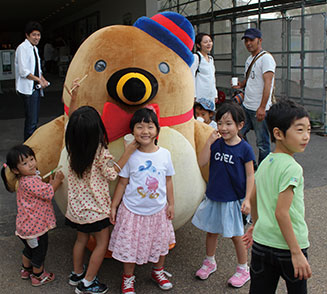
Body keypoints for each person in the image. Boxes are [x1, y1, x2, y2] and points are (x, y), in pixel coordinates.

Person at [65, 82, 137, 294]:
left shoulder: (71, 146)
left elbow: (72, 120)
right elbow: (112, 173)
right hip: (95, 210)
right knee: (101, 244)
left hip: (77, 209)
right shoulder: (100, 152)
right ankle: (87, 282)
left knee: (81, 239)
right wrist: (128, 152)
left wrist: (75, 97)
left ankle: (77, 272)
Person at [242, 99, 312, 294]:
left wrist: (257, 224)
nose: (306, 136)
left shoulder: (266, 162)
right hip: (288, 247)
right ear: (278, 133)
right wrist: (296, 252)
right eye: (299, 130)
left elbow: (254, 197)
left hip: (262, 244)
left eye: (308, 129)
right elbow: (282, 213)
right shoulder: (292, 168)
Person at [109, 108, 175, 294]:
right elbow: (122, 183)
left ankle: (158, 272)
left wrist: (171, 203)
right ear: (132, 132)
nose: (145, 131)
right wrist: (114, 206)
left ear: (157, 131)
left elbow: (168, 180)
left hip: (158, 210)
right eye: (139, 127)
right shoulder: (130, 156)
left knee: (160, 244)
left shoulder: (165, 154)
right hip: (132, 210)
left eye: (150, 126)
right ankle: (128, 279)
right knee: (130, 246)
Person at [192, 102, 255, 288]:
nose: (223, 128)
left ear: (240, 125)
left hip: (233, 199)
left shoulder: (245, 149)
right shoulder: (217, 144)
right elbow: (202, 162)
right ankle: (209, 261)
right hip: (214, 195)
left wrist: (248, 199)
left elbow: (251, 175)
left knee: (236, 235)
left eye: (228, 123)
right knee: (211, 231)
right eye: (220, 123)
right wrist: (209, 143)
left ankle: (243, 269)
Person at [5, 144, 64, 287]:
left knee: (29, 249)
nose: (31, 164)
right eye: (25, 163)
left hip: (24, 228)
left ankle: (26, 270)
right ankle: (38, 276)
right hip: (35, 229)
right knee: (39, 251)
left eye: (32, 159)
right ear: (15, 170)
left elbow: (41, 190)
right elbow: (48, 193)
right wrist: (57, 180)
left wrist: (48, 184)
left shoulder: (25, 179)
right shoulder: (30, 181)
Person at [233, 28, 276, 166]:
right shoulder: (249, 59)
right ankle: (251, 163)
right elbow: (250, 78)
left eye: (251, 40)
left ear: (260, 40)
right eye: (246, 41)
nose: (248, 43)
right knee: (239, 133)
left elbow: (268, 84)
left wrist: (262, 107)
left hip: (259, 107)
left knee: (262, 142)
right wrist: (241, 84)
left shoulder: (266, 58)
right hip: (246, 106)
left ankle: (263, 170)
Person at [15, 21, 49, 141]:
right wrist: (39, 80)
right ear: (27, 35)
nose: (36, 38)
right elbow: (23, 71)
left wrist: (42, 79)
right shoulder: (22, 48)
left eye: (38, 35)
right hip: (28, 90)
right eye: (34, 35)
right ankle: (28, 147)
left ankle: (30, 146)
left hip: (34, 88)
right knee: (31, 121)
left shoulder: (34, 48)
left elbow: (37, 69)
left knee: (33, 120)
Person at [191, 33, 218, 104]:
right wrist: (193, 95)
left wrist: (215, 94)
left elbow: (212, 77)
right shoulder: (196, 57)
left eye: (210, 41)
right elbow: (191, 76)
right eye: (205, 42)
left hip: (210, 97)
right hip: (200, 97)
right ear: (198, 45)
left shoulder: (211, 58)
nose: (209, 44)